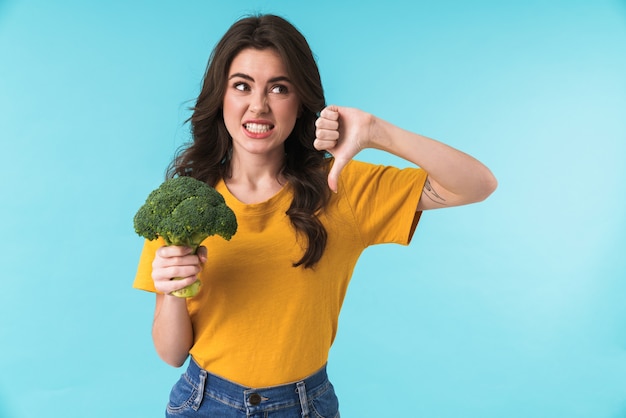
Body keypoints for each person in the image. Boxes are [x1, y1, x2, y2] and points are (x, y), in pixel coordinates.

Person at [133, 14, 497, 418]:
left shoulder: (342, 188)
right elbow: (171, 353)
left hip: (304, 406)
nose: (259, 105)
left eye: (279, 88)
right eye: (242, 86)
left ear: (301, 100)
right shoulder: (185, 205)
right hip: (204, 403)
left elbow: (476, 184)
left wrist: (377, 131)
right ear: (221, 97)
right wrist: (170, 289)